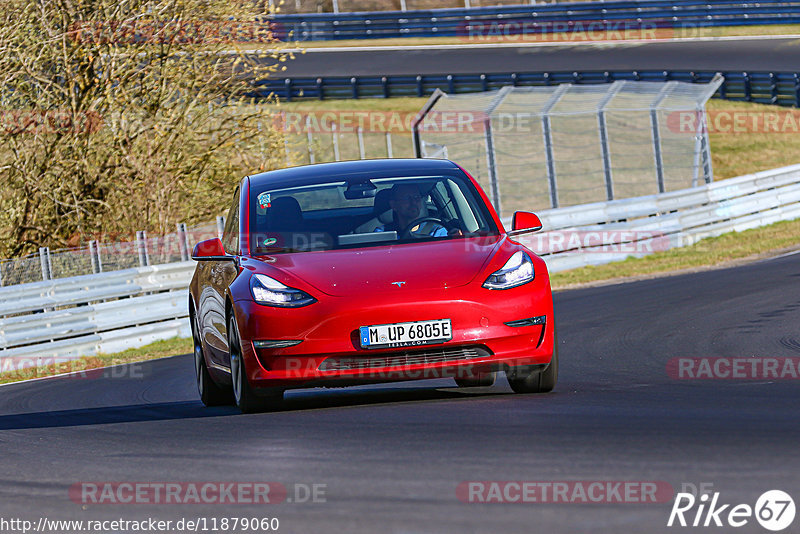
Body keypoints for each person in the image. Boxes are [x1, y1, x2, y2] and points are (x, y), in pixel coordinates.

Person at [374, 183, 458, 238]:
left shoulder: (438, 232)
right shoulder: (382, 234)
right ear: (394, 205)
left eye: (417, 197)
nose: (413, 202)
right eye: (407, 198)